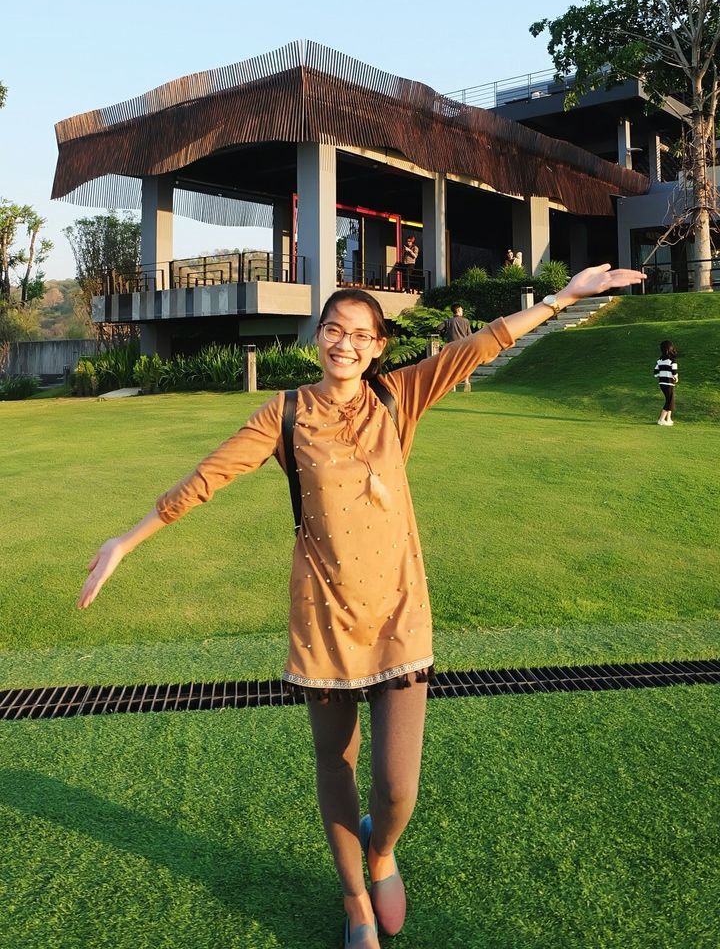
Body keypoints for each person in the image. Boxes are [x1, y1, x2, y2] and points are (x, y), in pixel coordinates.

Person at [77, 261, 644, 949]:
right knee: (335, 766)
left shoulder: (397, 397)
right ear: (318, 337)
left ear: (378, 346)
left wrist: (562, 298)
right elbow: (208, 477)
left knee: (397, 788)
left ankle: (382, 852)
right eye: (333, 330)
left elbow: (480, 344)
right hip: (324, 620)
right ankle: (355, 904)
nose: (344, 343)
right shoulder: (284, 413)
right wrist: (127, 539)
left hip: (399, 615)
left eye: (360, 334)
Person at [443, 303, 472, 392]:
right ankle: (466, 382)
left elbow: (439, 328)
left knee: (453, 366)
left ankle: (453, 385)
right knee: (465, 365)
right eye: (462, 310)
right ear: (458, 310)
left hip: (452, 347)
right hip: (464, 346)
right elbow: (470, 334)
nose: (462, 311)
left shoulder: (448, 321)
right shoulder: (466, 321)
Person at [655, 339, 679, 425]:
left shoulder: (659, 360)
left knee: (670, 400)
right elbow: (674, 372)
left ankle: (668, 419)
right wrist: (676, 378)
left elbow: (655, 372)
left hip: (662, 383)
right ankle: (661, 420)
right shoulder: (672, 361)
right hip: (669, 383)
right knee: (669, 401)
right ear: (670, 349)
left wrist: (661, 375)